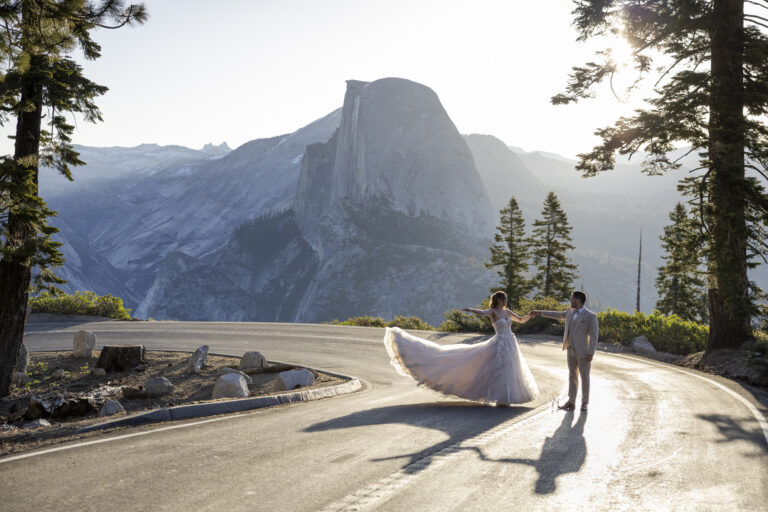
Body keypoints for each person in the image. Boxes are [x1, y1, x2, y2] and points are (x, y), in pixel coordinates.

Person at [383, 291, 539, 406]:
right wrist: (471, 310)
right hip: (498, 344)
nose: (506, 301)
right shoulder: (493, 312)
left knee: (510, 369)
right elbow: (483, 312)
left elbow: (520, 320)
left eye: (506, 298)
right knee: (496, 369)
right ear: (498, 299)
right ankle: (501, 397)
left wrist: (529, 316)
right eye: (504, 298)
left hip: (510, 343)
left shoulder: (507, 312)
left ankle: (507, 396)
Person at [531, 290, 598, 412]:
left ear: (578, 300)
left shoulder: (590, 316)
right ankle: (571, 402)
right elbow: (557, 314)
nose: (570, 300)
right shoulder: (569, 312)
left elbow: (594, 336)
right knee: (572, 376)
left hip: (583, 352)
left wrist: (590, 352)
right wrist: (540, 312)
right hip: (570, 349)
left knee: (585, 377)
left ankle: (585, 403)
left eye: (572, 298)